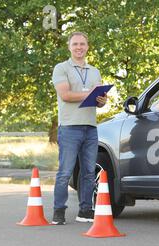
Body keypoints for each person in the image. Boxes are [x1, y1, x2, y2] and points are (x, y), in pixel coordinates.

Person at [51, 31, 107, 225]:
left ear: (87, 47)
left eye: (82, 44)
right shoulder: (61, 68)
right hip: (69, 127)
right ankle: (59, 211)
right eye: (75, 44)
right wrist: (89, 93)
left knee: (89, 172)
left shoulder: (95, 71)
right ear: (69, 47)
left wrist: (101, 99)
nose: (79, 47)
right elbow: (65, 95)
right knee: (65, 172)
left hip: (90, 127)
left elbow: (98, 101)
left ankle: (85, 210)